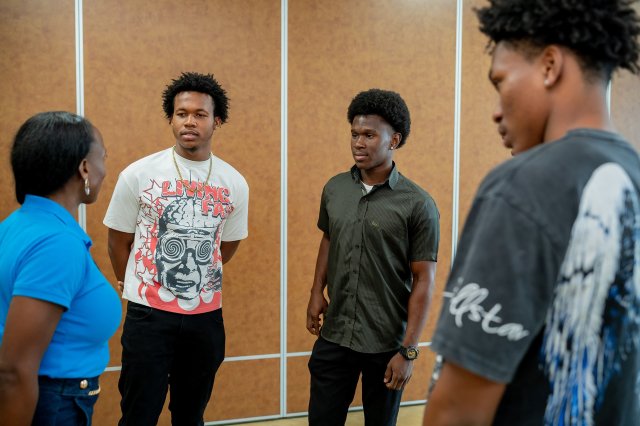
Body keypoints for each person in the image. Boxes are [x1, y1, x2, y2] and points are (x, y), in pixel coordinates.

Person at [423, 0, 640, 425]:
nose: (496, 110)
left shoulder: (524, 185)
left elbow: (456, 412)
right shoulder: (633, 173)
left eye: (500, 81)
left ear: (550, 66)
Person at [103, 72, 249, 425]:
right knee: (138, 414)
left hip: (205, 318)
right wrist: (133, 280)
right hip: (148, 315)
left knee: (190, 415)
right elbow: (118, 240)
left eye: (200, 114)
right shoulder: (138, 174)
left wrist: (200, 266)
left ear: (217, 121)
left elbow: (225, 246)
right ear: (171, 118)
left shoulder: (234, 182)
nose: (189, 121)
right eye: (181, 113)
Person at [306, 88, 440, 426]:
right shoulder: (335, 188)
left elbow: (424, 279)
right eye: (354, 134)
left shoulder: (418, 204)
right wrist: (316, 291)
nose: (358, 143)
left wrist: (408, 351)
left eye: (369, 135)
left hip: (386, 343)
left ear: (394, 140)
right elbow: (329, 239)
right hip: (336, 333)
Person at [0, 111, 121, 425]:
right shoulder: (56, 244)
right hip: (52, 404)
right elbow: (14, 370)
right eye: (103, 157)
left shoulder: (17, 224)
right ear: (84, 168)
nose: (104, 169)